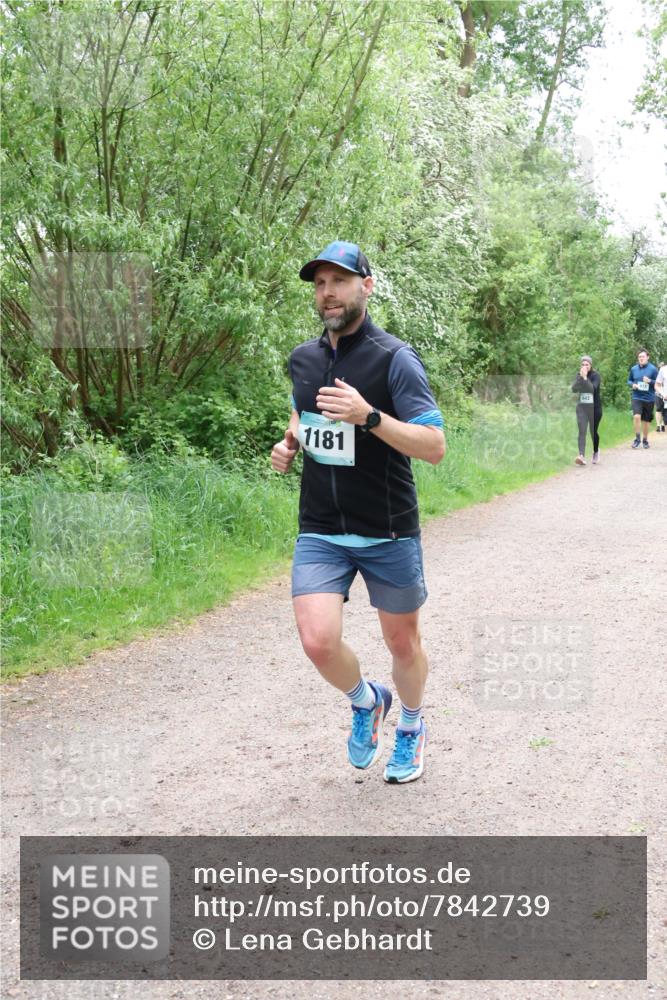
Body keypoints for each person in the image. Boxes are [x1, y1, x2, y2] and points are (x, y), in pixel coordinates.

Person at [271, 241, 446, 784]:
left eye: (340, 281)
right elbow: (303, 416)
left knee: (402, 643)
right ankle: (367, 700)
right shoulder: (303, 358)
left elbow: (434, 444)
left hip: (386, 527)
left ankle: (412, 728)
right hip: (321, 527)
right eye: (320, 284)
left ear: (365, 287)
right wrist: (291, 442)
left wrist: (370, 416)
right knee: (317, 640)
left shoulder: (394, 358)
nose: (328, 293)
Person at [571, 354, 602, 465]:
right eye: (583, 364)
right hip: (582, 408)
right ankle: (581, 455)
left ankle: (596, 451)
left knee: (593, 431)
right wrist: (580, 378)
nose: (585, 366)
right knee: (582, 431)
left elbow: (592, 389)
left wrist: (585, 378)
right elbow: (574, 389)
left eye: (587, 364)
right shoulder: (579, 375)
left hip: (595, 408)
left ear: (591, 365)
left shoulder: (596, 376)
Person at [628, 349, 659, 449]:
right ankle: (637, 439)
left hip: (649, 398)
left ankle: (645, 440)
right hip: (637, 397)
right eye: (639, 357)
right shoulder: (633, 369)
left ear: (647, 357)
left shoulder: (653, 369)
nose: (641, 358)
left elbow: (658, 383)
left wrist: (650, 381)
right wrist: (632, 385)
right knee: (636, 416)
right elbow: (629, 380)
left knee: (646, 421)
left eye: (643, 356)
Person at [655, 361, 667, 432]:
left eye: (662, 365)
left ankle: (662, 424)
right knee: (658, 409)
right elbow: (656, 384)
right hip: (659, 394)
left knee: (663, 410)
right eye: (660, 366)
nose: (661, 366)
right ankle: (658, 425)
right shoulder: (660, 372)